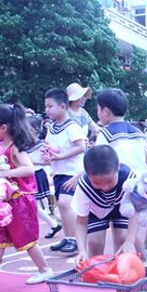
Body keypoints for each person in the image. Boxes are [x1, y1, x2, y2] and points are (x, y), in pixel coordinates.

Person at [94, 88, 147, 263]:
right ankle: (143, 260)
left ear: (105, 111)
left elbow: (99, 158)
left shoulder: (105, 133)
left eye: (98, 109)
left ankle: (127, 263)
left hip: (120, 182)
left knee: (120, 225)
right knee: (131, 228)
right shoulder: (137, 132)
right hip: (140, 184)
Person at [0, 104, 53, 284]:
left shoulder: (15, 148)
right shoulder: (3, 145)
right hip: (5, 202)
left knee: (26, 237)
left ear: (4, 128)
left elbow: (29, 169)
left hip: (19, 201)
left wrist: (5, 174)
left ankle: (45, 269)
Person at [73, 145, 137, 263]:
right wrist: (81, 250)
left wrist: (130, 240)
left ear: (117, 167)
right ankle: (96, 271)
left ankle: (122, 270)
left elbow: (134, 212)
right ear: (87, 173)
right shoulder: (84, 186)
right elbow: (81, 222)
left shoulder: (129, 179)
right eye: (97, 183)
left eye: (109, 181)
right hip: (96, 210)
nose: (104, 187)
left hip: (122, 208)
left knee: (123, 239)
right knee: (94, 241)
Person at [44, 88, 86, 253]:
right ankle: (69, 238)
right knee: (62, 207)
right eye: (46, 106)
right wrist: (49, 153)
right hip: (58, 171)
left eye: (50, 106)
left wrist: (60, 156)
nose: (47, 110)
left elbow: (81, 146)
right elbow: (53, 147)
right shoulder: (53, 127)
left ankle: (77, 239)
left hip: (72, 171)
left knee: (65, 203)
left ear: (63, 107)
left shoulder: (71, 126)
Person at [26, 115, 62, 239]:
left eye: (28, 129)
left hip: (36, 174)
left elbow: (48, 161)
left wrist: (31, 162)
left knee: (32, 204)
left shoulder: (42, 145)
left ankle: (53, 224)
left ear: (35, 130)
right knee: (32, 204)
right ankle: (53, 224)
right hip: (29, 175)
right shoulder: (25, 144)